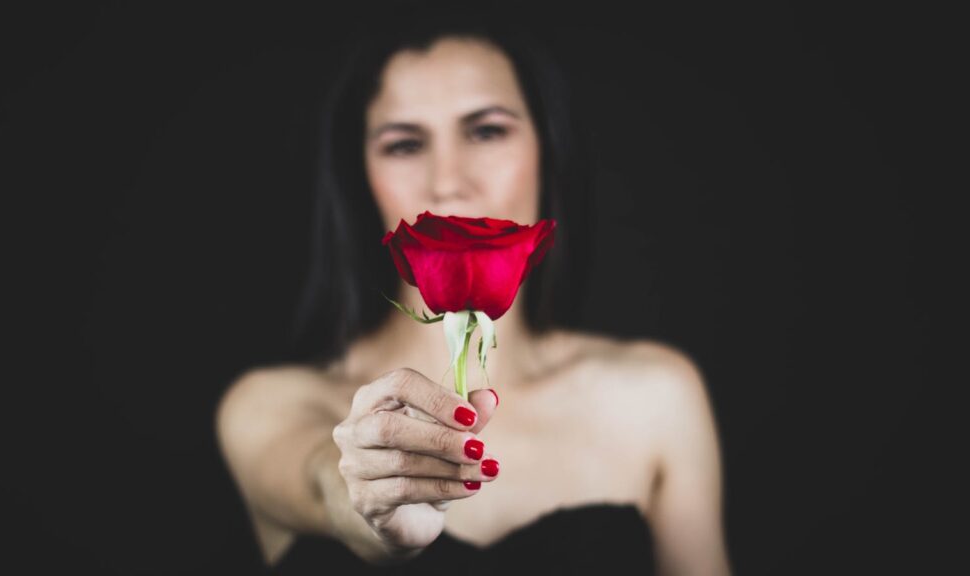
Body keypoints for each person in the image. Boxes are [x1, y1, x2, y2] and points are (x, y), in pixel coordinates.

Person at [216, 9, 732, 575]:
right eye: (404, 144)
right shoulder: (270, 405)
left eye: (487, 131)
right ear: (361, 176)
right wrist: (365, 494)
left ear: (548, 149)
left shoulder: (653, 398)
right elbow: (320, 479)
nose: (448, 180)